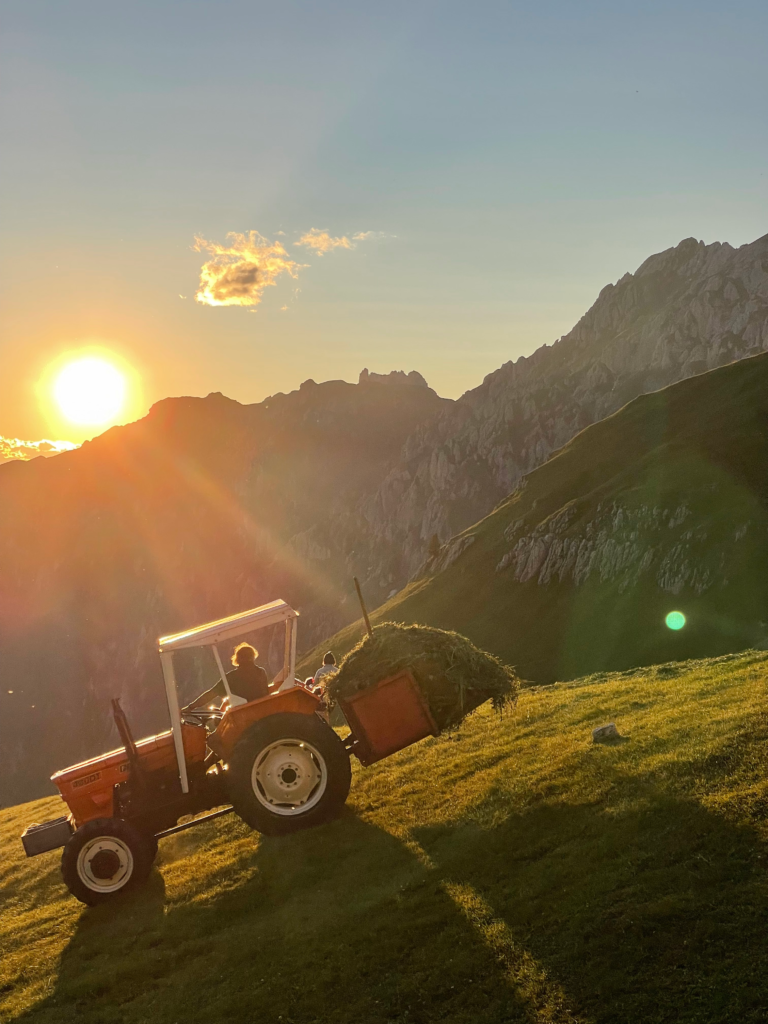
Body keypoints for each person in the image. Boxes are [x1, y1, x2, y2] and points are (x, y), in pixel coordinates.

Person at [185, 643, 270, 710]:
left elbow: (211, 694)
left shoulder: (232, 677)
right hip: (264, 711)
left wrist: (190, 707)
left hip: (243, 717)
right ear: (253, 657)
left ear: (237, 660)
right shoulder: (261, 672)